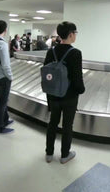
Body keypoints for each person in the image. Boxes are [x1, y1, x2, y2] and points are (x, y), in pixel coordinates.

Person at [44, 22, 85, 164]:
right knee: (67, 126)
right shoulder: (75, 53)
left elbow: (46, 72)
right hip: (69, 97)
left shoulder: (51, 51)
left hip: (53, 95)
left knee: (52, 123)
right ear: (70, 34)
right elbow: (76, 78)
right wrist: (81, 90)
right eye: (75, 33)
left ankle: (49, 154)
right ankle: (64, 155)